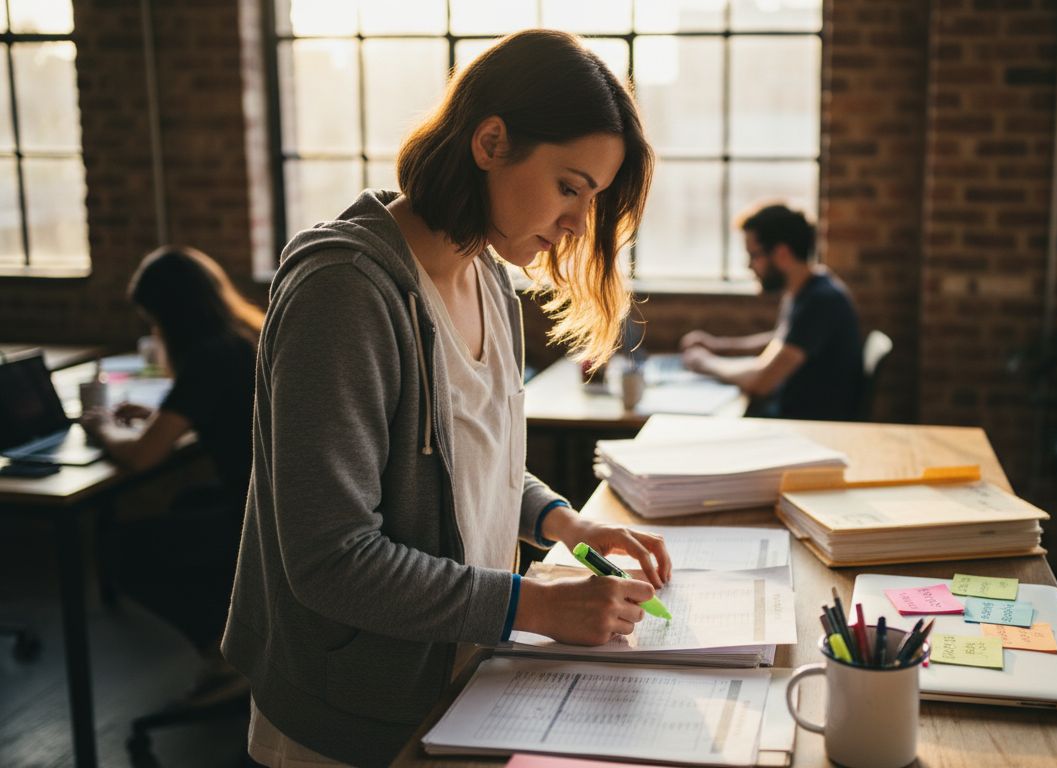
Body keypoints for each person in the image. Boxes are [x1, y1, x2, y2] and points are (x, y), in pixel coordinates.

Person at [222, 30, 670, 767]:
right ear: (491, 142)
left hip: (460, 684)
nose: (574, 224)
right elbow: (332, 559)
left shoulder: (488, 276)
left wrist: (567, 526)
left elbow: (477, 462)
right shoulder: (345, 295)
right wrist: (536, 606)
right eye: (569, 187)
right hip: (349, 720)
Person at [81, 245, 261, 686]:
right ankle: (237, 629)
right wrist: (162, 420)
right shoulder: (239, 341)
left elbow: (144, 457)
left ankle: (224, 654)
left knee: (120, 552)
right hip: (268, 506)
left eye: (153, 318)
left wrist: (101, 428)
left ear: (171, 314)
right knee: (187, 500)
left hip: (250, 514)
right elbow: (221, 413)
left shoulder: (206, 358)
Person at [680, 204, 864, 421]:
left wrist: (705, 363)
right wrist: (719, 345)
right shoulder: (808, 289)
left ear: (782, 254)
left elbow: (762, 381)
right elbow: (780, 341)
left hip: (806, 426)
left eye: (753, 255)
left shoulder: (820, 301)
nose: (749, 266)